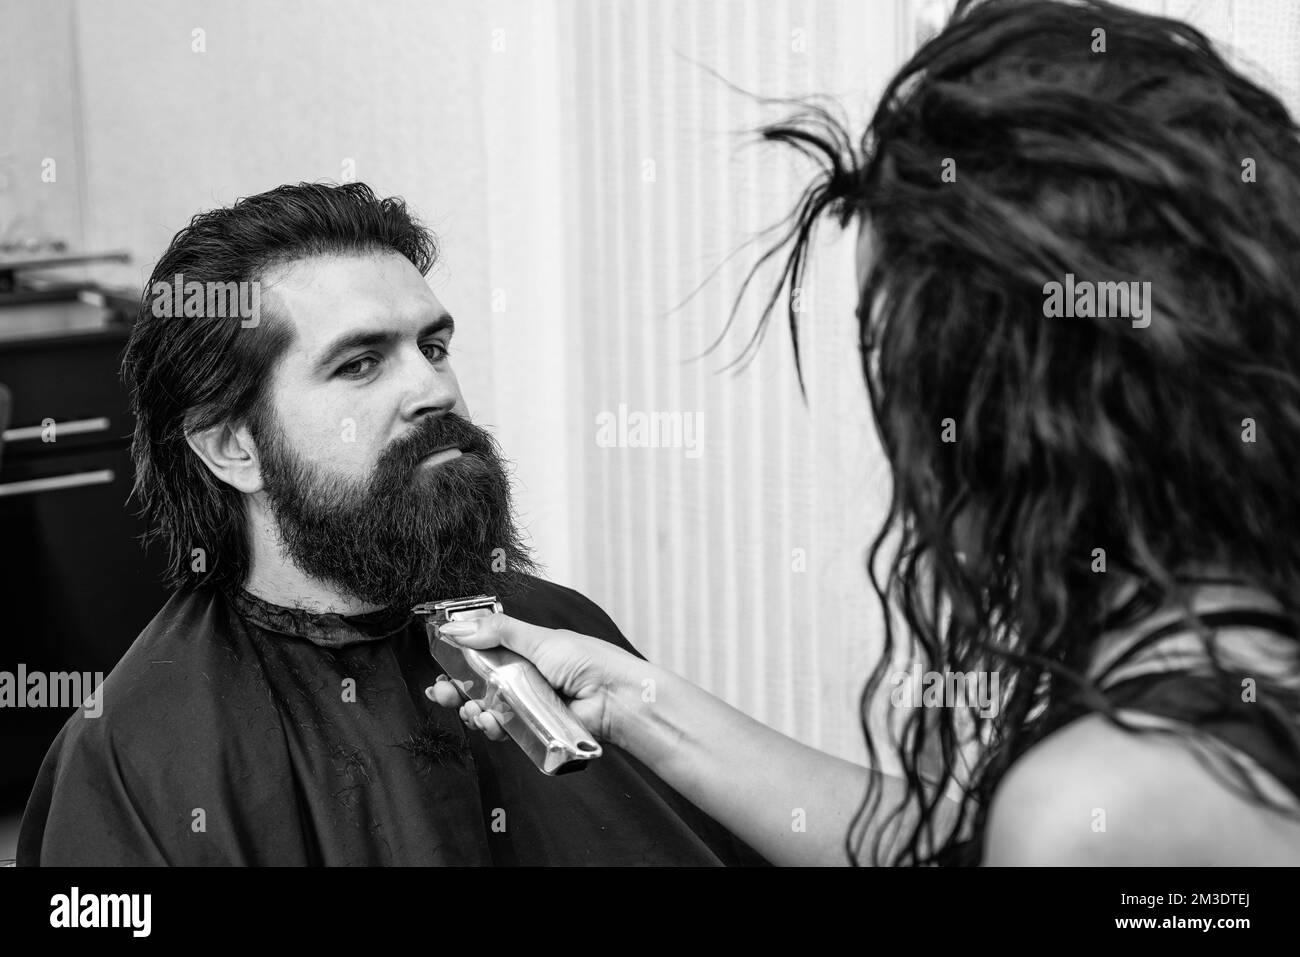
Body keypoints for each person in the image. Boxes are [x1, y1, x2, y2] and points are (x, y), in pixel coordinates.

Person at [433, 0, 1300, 865]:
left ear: (1019, 406)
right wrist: (636, 703)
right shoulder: (1231, 683)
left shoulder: (1102, 806)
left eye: (898, 362)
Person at [17, 182, 764, 866]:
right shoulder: (141, 755)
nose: (432, 387)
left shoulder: (558, 633)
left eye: (433, 347)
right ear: (231, 446)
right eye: (361, 364)